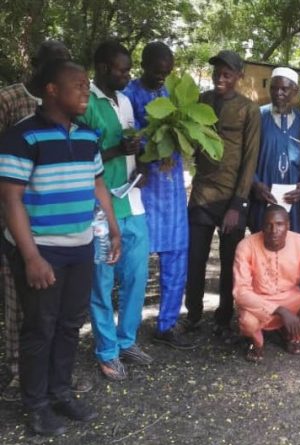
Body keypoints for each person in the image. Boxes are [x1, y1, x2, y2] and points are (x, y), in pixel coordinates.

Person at [0, 60, 120, 436]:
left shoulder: (87, 137)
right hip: (41, 251)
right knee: (40, 328)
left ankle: (61, 393)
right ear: (51, 89)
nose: (86, 91)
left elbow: (99, 185)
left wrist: (113, 230)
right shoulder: (23, 136)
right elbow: (11, 199)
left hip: (80, 246)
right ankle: (35, 405)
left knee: (70, 325)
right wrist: (32, 256)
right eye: (79, 85)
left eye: (87, 85)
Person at [0, 40, 77, 402]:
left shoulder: (68, 107)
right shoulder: (10, 100)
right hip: (17, 219)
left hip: (56, 224)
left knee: (56, 308)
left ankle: (53, 379)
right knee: (20, 299)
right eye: (55, 64)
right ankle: (21, 373)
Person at [79, 40, 151, 381]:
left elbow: (129, 146)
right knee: (102, 282)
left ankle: (127, 340)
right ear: (105, 68)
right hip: (100, 208)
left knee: (136, 278)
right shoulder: (86, 102)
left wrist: (140, 160)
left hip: (132, 202)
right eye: (123, 69)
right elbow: (80, 156)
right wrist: (112, 151)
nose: (128, 75)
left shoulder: (124, 101)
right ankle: (107, 352)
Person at [122, 41, 195, 350]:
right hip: (143, 186)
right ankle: (127, 329)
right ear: (144, 65)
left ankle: (166, 325)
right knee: (135, 260)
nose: (161, 78)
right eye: (157, 72)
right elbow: (125, 137)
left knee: (177, 254)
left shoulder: (171, 96)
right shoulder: (127, 95)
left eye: (167, 73)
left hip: (172, 187)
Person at [184, 50, 260, 338]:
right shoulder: (202, 101)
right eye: (217, 72)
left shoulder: (248, 109)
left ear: (239, 76)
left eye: (228, 73)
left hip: (232, 199)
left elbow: (250, 158)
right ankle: (192, 315)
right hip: (203, 194)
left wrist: (238, 204)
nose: (221, 78)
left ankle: (224, 317)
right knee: (195, 258)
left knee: (230, 263)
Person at [233, 205, 300, 361]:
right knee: (247, 323)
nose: (274, 230)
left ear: (288, 226)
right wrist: (280, 311)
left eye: (279, 224)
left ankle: (292, 335)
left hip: (291, 297)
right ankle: (256, 343)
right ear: (262, 227)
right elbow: (240, 292)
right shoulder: (246, 246)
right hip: (259, 300)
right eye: (268, 225)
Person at [249, 67, 300, 234]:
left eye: (284, 89)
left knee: (293, 250)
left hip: (294, 203)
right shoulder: (257, 117)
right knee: (262, 247)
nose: (278, 93)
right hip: (263, 198)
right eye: (274, 88)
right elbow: (245, 156)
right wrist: (255, 184)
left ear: (295, 90)